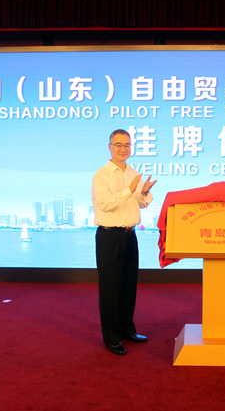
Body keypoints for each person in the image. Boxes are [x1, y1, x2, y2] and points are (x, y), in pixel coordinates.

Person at [91, 129, 157, 355]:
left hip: (130, 235)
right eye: (118, 144)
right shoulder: (102, 175)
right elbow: (105, 204)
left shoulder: (133, 172)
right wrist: (129, 191)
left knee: (128, 286)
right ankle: (111, 338)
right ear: (109, 147)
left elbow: (138, 203)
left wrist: (144, 192)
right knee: (110, 289)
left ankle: (127, 330)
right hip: (110, 236)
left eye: (127, 145)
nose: (123, 149)